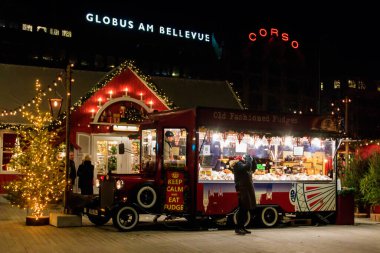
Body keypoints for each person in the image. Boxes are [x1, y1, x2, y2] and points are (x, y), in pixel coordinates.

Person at [230, 154, 256, 235]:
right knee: (243, 208)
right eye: (244, 159)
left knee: (245, 208)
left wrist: (253, 160)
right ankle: (238, 228)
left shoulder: (242, 165)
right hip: (242, 189)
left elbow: (253, 168)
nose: (245, 160)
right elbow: (248, 167)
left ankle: (242, 227)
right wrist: (248, 158)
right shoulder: (237, 165)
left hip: (246, 189)